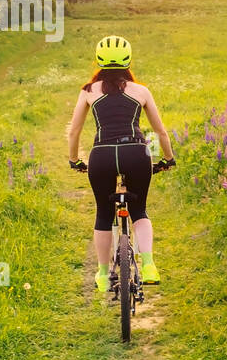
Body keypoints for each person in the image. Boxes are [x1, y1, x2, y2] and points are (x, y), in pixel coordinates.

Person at [67, 35, 176, 292]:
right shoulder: (141, 91)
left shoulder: (88, 91)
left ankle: (104, 275)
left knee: (104, 215)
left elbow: (74, 131)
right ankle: (148, 265)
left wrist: (74, 160)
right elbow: (160, 132)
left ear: (98, 61)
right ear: (128, 59)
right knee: (139, 210)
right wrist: (168, 159)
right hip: (135, 153)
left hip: (102, 155)